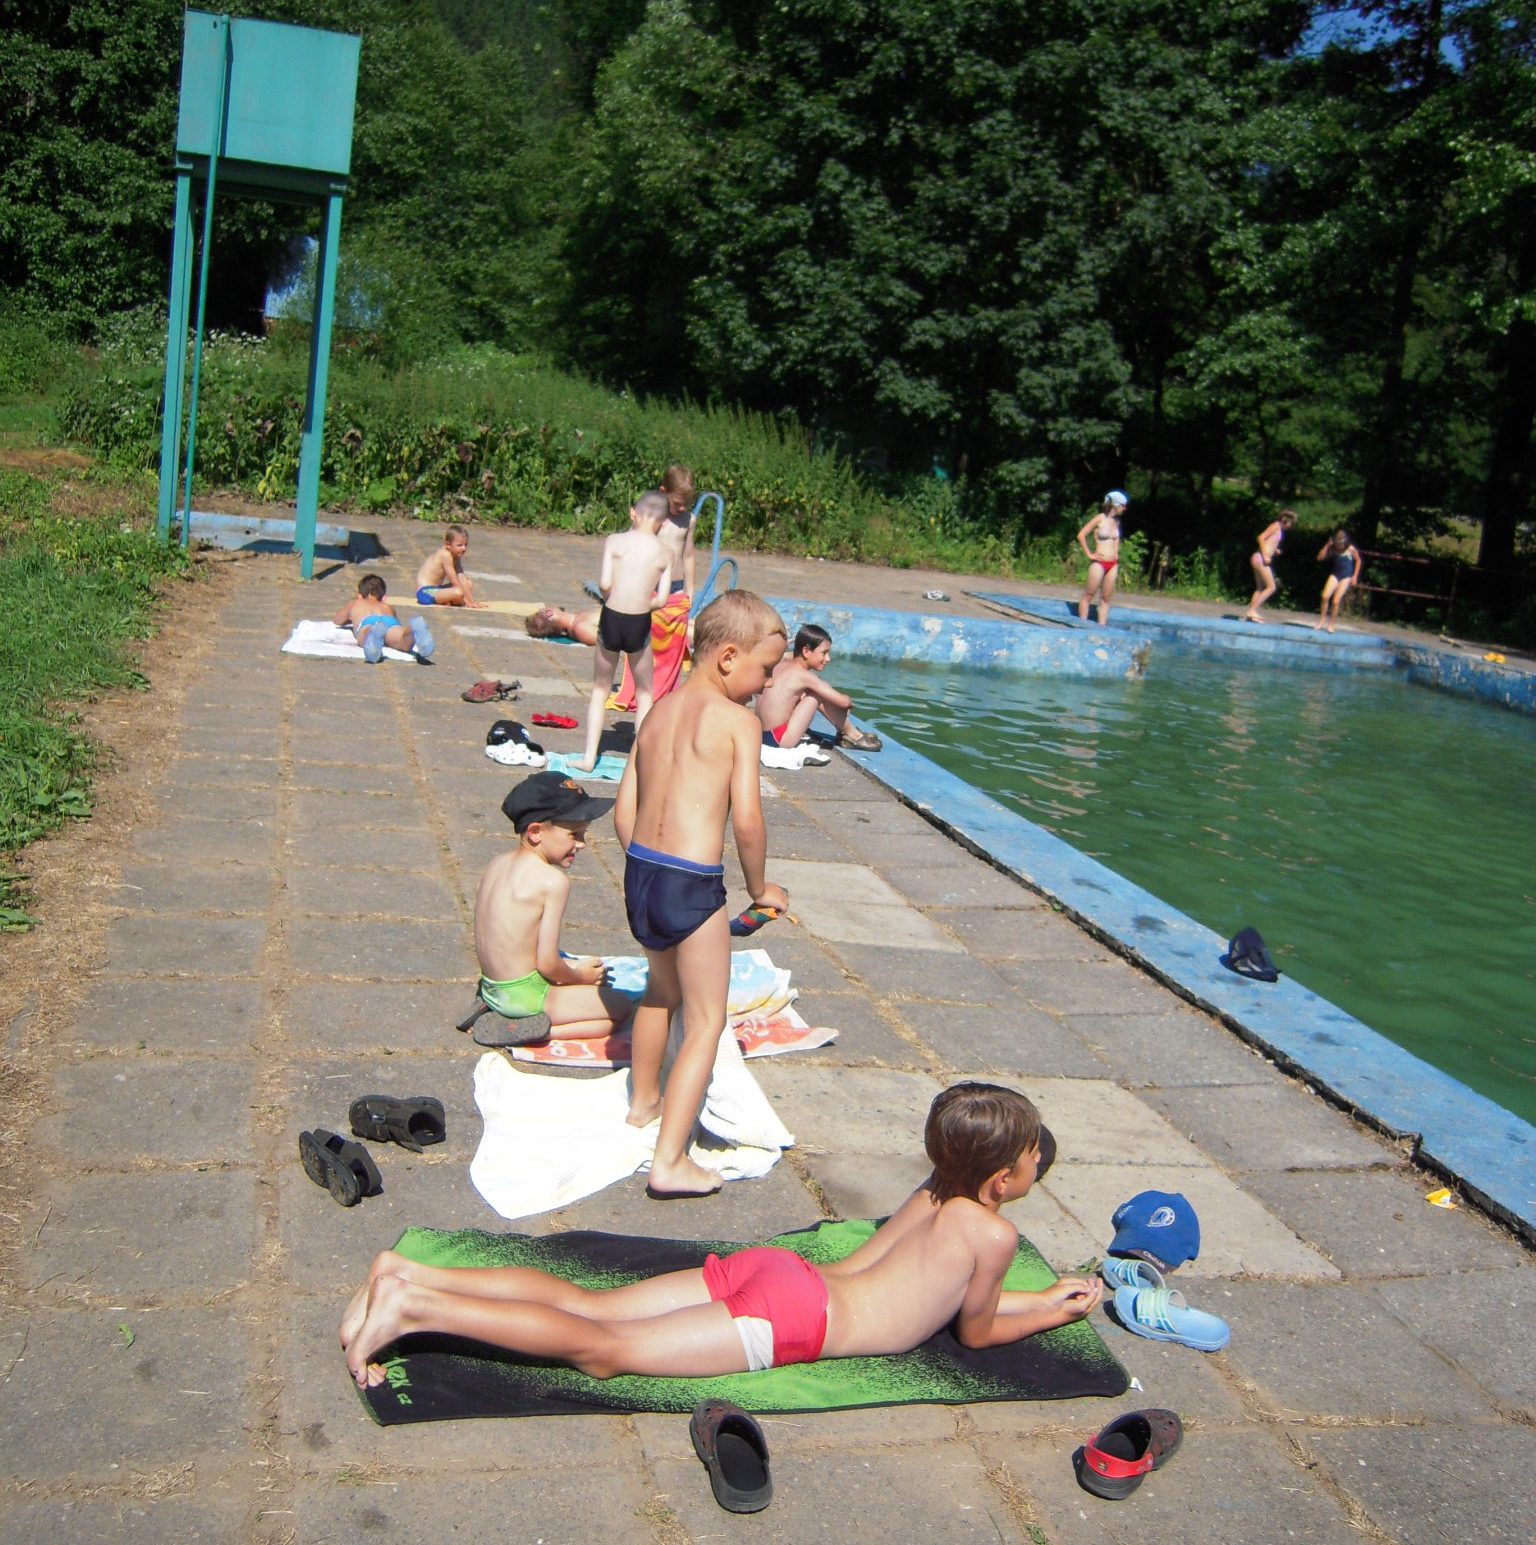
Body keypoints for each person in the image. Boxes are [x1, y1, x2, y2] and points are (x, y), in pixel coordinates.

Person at [339, 1081, 1102, 1388]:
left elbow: (914, 1277)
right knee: (603, 1349)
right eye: (1032, 1157)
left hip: (780, 1274)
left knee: (589, 1302)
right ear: (1001, 1179)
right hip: (796, 1318)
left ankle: (413, 1275)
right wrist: (1049, 1308)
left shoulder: (933, 1188)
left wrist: (1038, 1294)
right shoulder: (990, 1236)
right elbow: (976, 1328)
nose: (1039, 1162)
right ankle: (414, 1307)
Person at [613, 589, 790, 1198]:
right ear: (728, 657)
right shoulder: (739, 723)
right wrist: (761, 889)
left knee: (660, 992)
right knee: (707, 1019)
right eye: (766, 669)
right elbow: (748, 821)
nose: (768, 683)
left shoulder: (658, 710)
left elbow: (624, 809)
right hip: (691, 884)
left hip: (642, 871)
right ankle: (670, 1161)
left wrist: (645, 863)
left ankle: (643, 1103)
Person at [473, 771, 637, 1039]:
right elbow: (548, 963)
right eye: (574, 834)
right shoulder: (552, 881)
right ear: (536, 832)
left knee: (580, 976)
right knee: (619, 1009)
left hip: (492, 988)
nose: (582, 845)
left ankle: (498, 1010)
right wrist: (581, 977)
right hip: (524, 996)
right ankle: (524, 1030)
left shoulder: (496, 864)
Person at [568, 492, 674, 773]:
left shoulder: (614, 541)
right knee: (645, 692)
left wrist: (612, 599)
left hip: (612, 617)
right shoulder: (666, 553)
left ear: (632, 513)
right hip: (639, 621)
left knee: (600, 688)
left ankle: (589, 757)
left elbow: (604, 583)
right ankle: (639, 761)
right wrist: (644, 604)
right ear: (664, 523)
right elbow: (663, 599)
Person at [609, 464, 700, 712]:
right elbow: (632, 545)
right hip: (651, 584)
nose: (682, 508)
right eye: (678, 502)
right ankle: (640, 684)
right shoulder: (653, 518)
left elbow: (688, 554)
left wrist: (690, 589)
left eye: (687, 503)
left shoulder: (688, 520)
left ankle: (665, 687)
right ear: (662, 492)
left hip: (676, 586)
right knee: (646, 636)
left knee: (673, 639)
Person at [756, 623, 882, 752]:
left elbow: (789, 655)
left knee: (814, 690)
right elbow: (844, 702)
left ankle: (847, 733)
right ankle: (853, 735)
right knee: (819, 692)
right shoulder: (803, 676)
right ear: (806, 651)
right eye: (824, 653)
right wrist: (848, 701)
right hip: (779, 739)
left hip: (761, 734)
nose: (828, 659)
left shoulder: (781, 662)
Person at [332, 573, 434, 663]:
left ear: (359, 595)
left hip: (369, 621)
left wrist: (350, 618)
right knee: (401, 639)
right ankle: (412, 630)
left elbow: (337, 620)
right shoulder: (387, 607)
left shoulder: (357, 603)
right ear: (383, 597)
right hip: (390, 622)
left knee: (365, 634)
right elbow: (396, 622)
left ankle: (372, 636)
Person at [1076, 491, 1127, 625]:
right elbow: (1081, 535)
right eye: (1123, 505)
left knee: (1105, 599)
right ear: (1115, 505)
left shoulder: (1116, 522)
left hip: (1112, 564)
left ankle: (1102, 628)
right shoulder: (1100, 518)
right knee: (1089, 595)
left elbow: (1115, 541)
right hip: (1099, 563)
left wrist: (1116, 554)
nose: (1124, 508)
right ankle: (1082, 625)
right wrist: (1089, 554)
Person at [1244, 509, 1297, 623]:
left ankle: (1250, 614)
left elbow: (1269, 541)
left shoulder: (1278, 529)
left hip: (1257, 558)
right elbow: (1261, 537)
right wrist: (1265, 555)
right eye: (1290, 524)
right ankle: (1252, 610)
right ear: (1284, 520)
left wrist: (1275, 550)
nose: (1290, 526)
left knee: (1260, 588)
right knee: (1271, 587)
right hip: (1261, 558)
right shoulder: (1276, 526)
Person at [414, 525, 484, 608]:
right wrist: (466, 600)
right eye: (459, 545)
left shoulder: (455, 556)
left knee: (468, 583)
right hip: (425, 592)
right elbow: (454, 582)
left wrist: (471, 601)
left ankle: (447, 600)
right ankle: (449, 601)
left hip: (437, 589)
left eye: (466, 545)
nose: (464, 548)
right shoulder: (445, 555)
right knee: (458, 592)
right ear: (448, 545)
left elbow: (461, 576)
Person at [1317, 529, 1362, 632]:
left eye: (1341, 544)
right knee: (1325, 596)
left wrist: (1355, 576)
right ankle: (1322, 620)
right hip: (1335, 574)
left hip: (1346, 576)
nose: (1339, 546)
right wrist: (1327, 546)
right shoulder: (1333, 548)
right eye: (1337, 543)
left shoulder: (1350, 549)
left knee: (1335, 601)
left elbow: (1358, 560)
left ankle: (1331, 624)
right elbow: (1319, 558)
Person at [525, 605, 599, 646]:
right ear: (549, 613)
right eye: (542, 609)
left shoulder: (578, 619)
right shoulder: (581, 628)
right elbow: (605, 640)